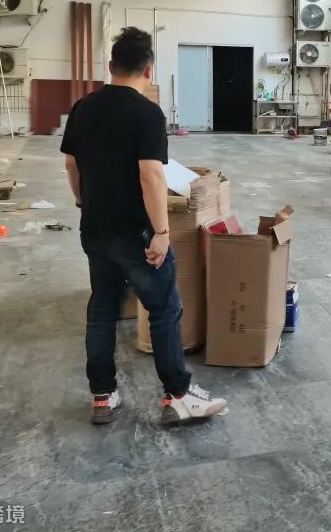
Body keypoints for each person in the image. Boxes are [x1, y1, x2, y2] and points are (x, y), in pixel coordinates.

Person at [62, 27, 227, 426]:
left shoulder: (83, 107)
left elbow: (71, 163)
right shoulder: (147, 113)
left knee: (102, 309)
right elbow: (151, 175)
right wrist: (162, 232)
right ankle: (179, 396)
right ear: (149, 70)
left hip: (95, 227)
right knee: (164, 309)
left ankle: (102, 396)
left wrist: (83, 201)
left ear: (110, 66)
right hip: (135, 231)